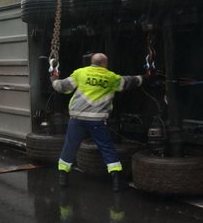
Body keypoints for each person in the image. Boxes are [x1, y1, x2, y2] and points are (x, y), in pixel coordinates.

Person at [51, 52, 143, 191]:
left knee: (70, 146)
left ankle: (63, 176)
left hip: (77, 119)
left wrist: (53, 78)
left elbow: (62, 87)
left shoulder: (80, 73)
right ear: (104, 63)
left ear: (91, 62)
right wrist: (144, 77)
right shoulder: (111, 77)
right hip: (97, 121)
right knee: (106, 147)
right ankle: (116, 179)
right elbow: (129, 82)